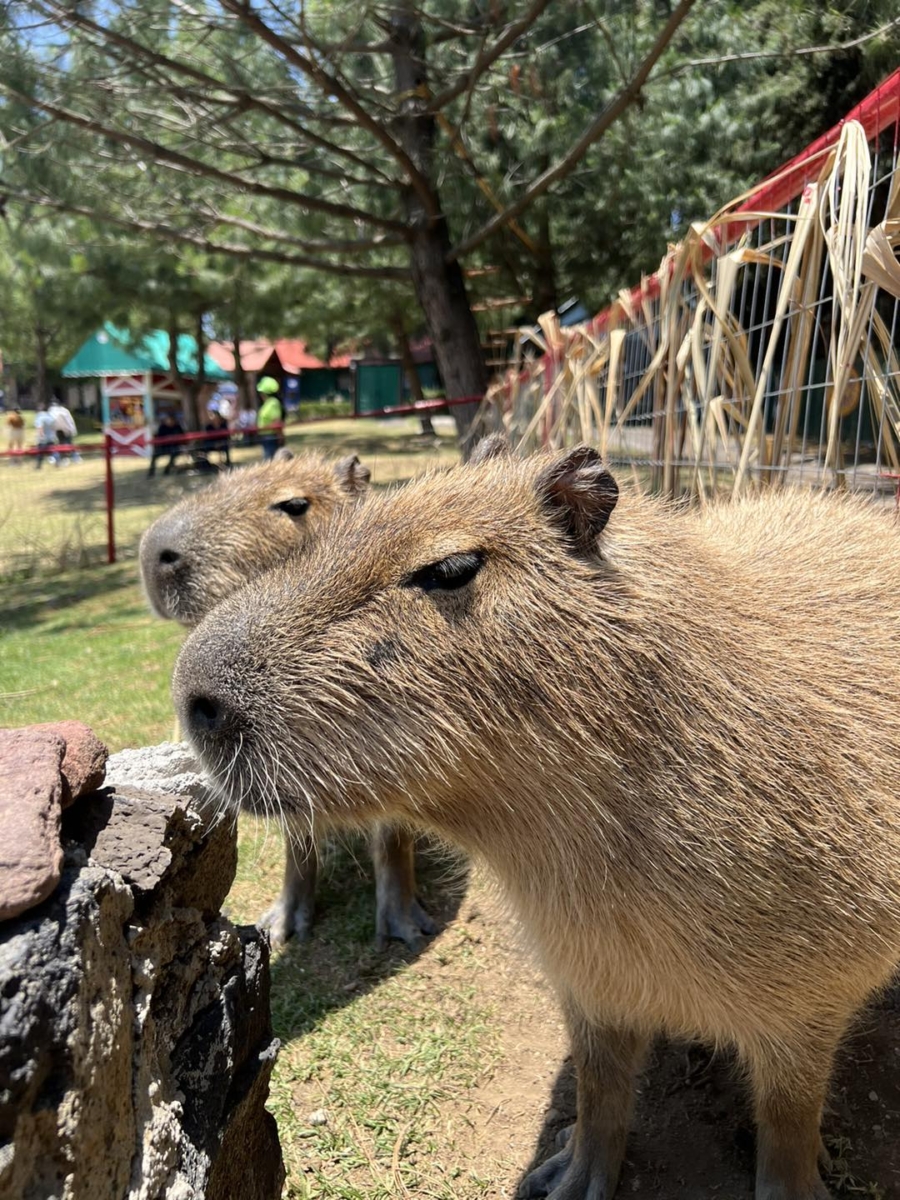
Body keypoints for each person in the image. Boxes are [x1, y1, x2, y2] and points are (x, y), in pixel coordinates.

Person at [148, 411, 185, 477]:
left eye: (172, 420)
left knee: (175, 452)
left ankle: (167, 469)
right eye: (169, 420)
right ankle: (151, 472)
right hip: (163, 447)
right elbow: (159, 438)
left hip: (174, 447)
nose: (170, 422)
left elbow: (182, 436)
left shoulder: (177, 426)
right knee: (155, 455)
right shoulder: (162, 427)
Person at [256, 376, 282, 461]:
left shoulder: (273, 403)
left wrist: (279, 436)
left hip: (271, 437)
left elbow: (276, 421)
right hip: (265, 436)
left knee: (270, 461)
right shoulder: (267, 403)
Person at [48, 396, 80, 463]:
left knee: (62, 444)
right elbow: (70, 421)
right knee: (68, 444)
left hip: (59, 430)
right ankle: (73, 457)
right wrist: (73, 430)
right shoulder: (64, 410)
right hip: (65, 429)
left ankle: (62, 458)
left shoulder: (51, 411)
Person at [33, 402, 57, 468]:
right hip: (51, 437)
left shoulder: (39, 416)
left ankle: (38, 466)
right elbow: (54, 426)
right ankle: (57, 463)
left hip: (43, 438)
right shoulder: (50, 416)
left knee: (40, 453)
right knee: (53, 451)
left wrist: (40, 436)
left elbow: (40, 427)